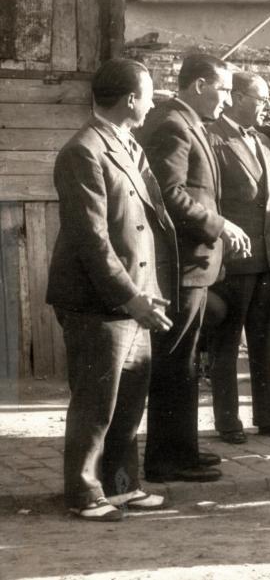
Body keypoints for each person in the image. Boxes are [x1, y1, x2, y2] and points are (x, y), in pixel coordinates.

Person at [47, 59, 177, 521]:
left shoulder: (125, 144)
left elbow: (144, 226)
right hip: (97, 301)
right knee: (96, 402)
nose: (155, 101)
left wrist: (148, 290)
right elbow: (91, 239)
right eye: (150, 93)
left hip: (133, 297)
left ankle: (122, 486)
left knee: (128, 402)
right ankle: (84, 494)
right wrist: (129, 296)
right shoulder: (83, 151)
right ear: (130, 100)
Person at [140, 53, 250, 483]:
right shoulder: (172, 124)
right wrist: (219, 225)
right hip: (183, 264)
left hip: (196, 264)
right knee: (174, 362)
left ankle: (182, 450)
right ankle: (165, 460)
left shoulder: (187, 123)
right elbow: (169, 193)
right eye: (223, 89)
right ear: (200, 85)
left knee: (185, 362)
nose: (226, 99)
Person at [205, 71, 270, 443]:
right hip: (234, 259)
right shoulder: (211, 139)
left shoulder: (263, 140)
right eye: (261, 98)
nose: (267, 105)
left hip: (268, 258)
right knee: (226, 342)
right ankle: (228, 420)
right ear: (234, 97)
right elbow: (211, 203)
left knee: (268, 339)